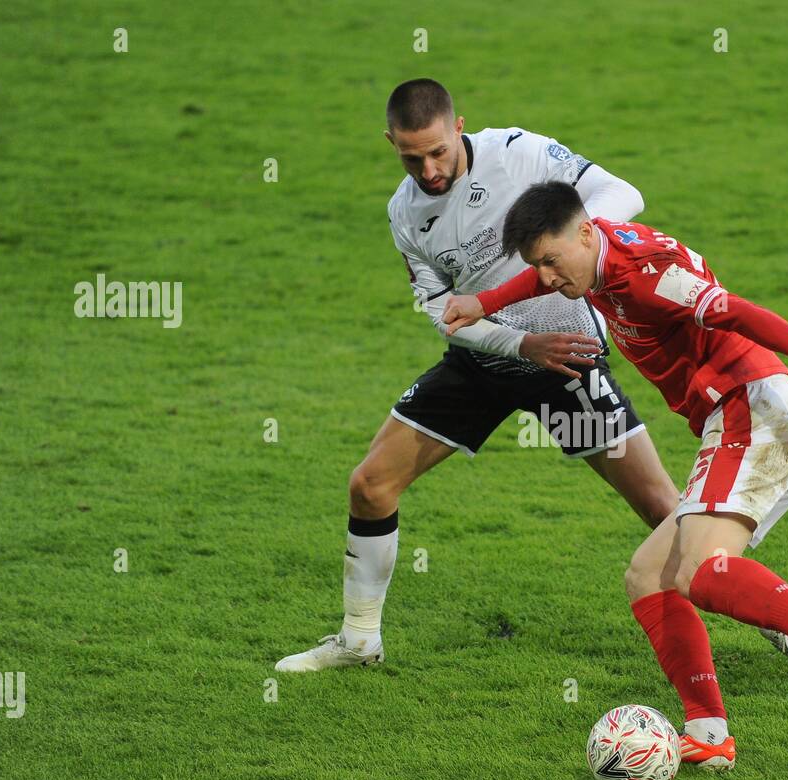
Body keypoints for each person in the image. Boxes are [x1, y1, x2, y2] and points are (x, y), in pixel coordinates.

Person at [442, 182, 788, 768]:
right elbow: (544, 269)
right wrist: (486, 302)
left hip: (756, 412)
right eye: (535, 266)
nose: (545, 280)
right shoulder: (590, 257)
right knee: (649, 575)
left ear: (587, 233)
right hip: (740, 418)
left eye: (551, 262)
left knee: (697, 571)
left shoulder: (643, 273)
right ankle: (710, 731)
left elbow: (729, 308)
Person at [275, 80, 678, 672]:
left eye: (439, 151)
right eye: (412, 157)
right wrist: (520, 342)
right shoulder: (404, 214)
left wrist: (571, 241)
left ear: (459, 126)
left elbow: (623, 193)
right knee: (369, 486)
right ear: (390, 143)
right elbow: (445, 313)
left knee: (664, 509)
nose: (430, 169)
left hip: (564, 356)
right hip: (486, 358)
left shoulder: (520, 152)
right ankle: (359, 638)